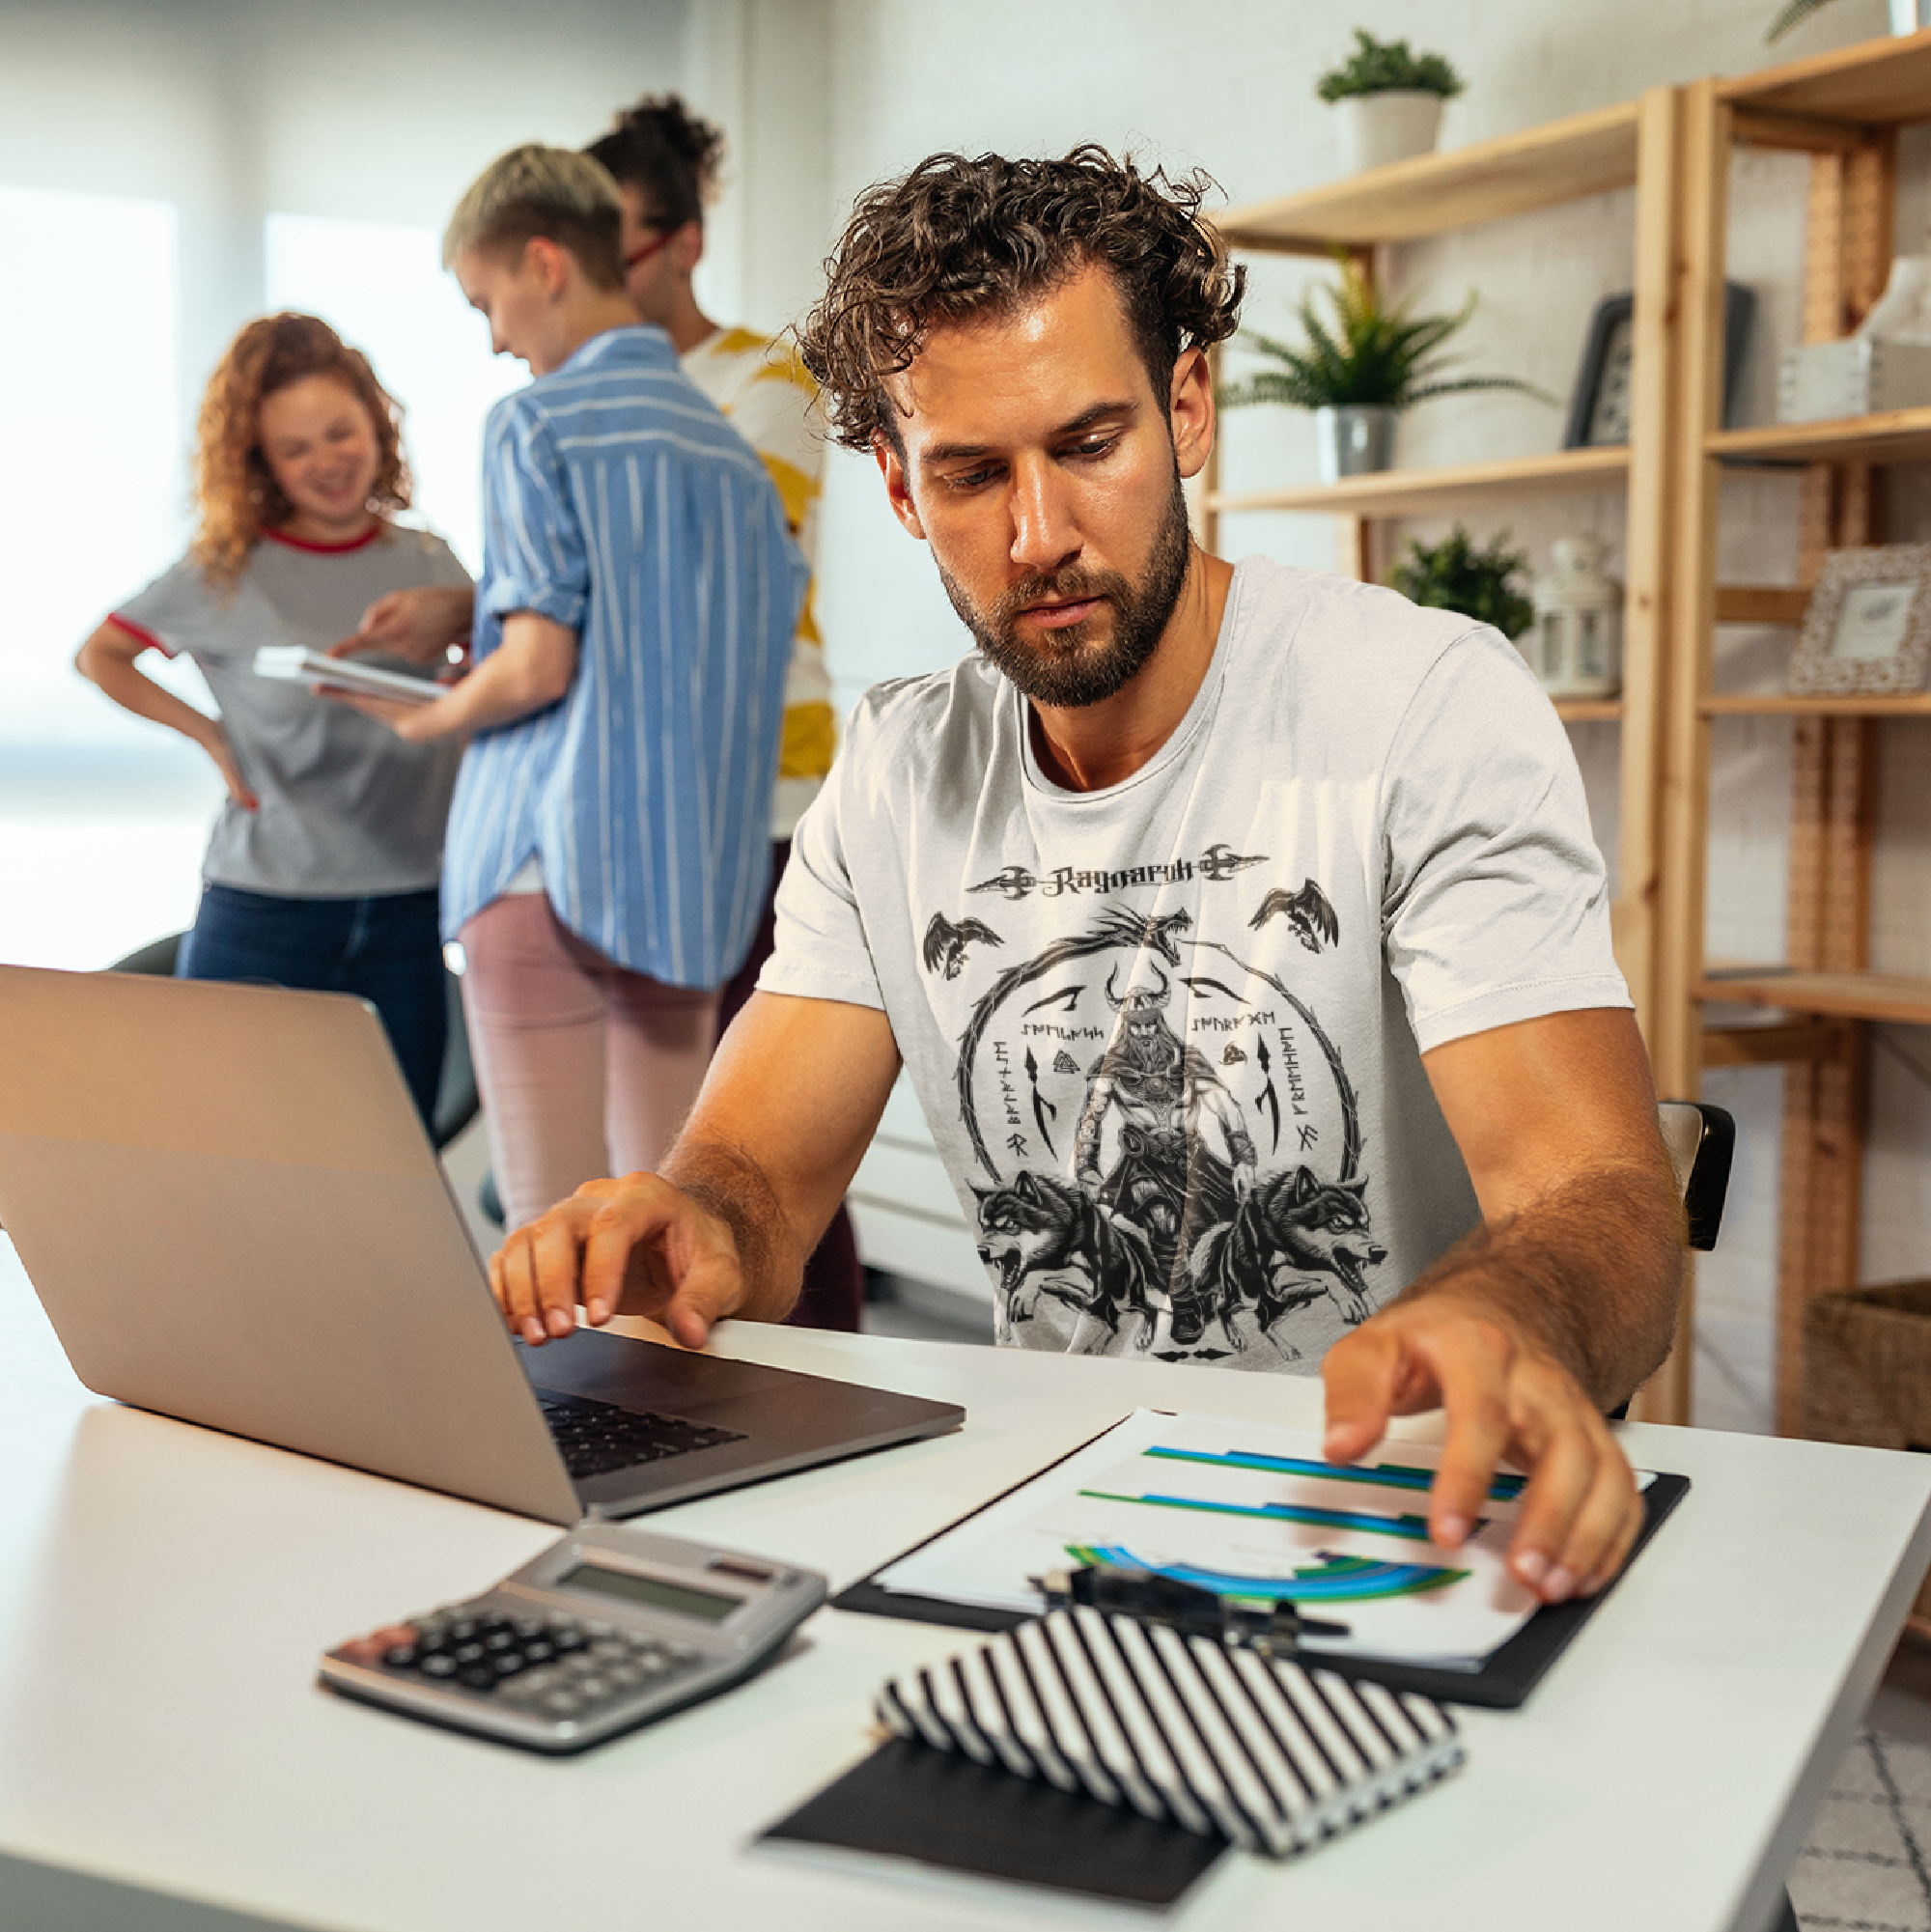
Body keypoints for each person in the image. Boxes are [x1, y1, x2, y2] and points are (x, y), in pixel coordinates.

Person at [491, 145, 1686, 1607]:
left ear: (1188, 410)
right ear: (898, 487)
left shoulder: (1421, 700)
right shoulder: (891, 771)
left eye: (1089, 444)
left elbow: (1606, 1197)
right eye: (973, 473)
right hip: (1062, 1511)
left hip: (1393, 1506)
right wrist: (691, 1220)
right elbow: (758, 1185)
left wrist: (1518, 1307)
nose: (1039, 534)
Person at [331, 145, 803, 1238]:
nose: (495, 336)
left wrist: (429, 715)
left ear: (544, 263)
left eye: (487, 301)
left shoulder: (532, 422)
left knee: (551, 1240)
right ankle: (677, 1414)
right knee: (674, 1230)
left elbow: (542, 663)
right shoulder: (732, 462)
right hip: (689, 882)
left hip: (541, 863)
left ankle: (568, 1421)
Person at [583, 93, 863, 1334]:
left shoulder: (761, 378)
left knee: (777, 1139)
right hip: (641, 812)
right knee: (674, 1138)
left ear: (683, 242)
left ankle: (827, 1366)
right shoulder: (584, 398)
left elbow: (709, 565)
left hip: (767, 802)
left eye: (622, 246)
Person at [75, 313, 471, 1126]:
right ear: (261, 459)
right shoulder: (225, 572)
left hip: (410, 903)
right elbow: (101, 655)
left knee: (397, 1160)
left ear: (377, 425)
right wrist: (210, 734)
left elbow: (486, 684)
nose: (328, 461)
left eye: (341, 432)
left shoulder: (431, 563)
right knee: (227, 1147)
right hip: (267, 904)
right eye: (297, 449)